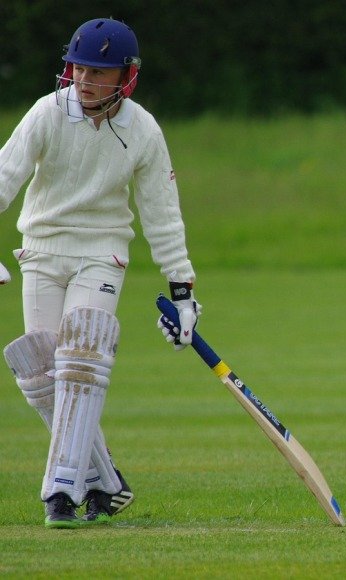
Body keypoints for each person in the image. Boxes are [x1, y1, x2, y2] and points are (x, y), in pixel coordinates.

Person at [0, 17, 201, 528]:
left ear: (124, 78)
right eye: (80, 68)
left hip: (102, 253)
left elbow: (162, 211)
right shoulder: (48, 112)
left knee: (81, 354)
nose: (86, 80)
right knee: (41, 370)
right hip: (42, 251)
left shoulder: (143, 129)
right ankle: (106, 482)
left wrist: (182, 292)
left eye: (100, 72)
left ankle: (61, 491)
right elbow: (5, 175)